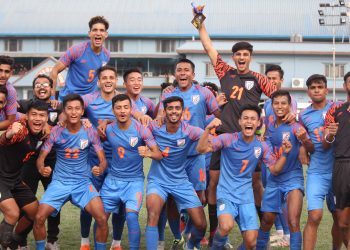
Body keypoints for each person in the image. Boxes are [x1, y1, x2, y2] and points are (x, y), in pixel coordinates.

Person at [192, 6, 284, 245]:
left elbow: (280, 99)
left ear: (250, 57)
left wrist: (279, 121)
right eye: (238, 54)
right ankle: (215, 232)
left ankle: (256, 231)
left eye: (245, 54)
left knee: (254, 183)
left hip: (249, 139)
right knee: (214, 180)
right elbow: (208, 48)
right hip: (224, 136)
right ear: (234, 57)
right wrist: (199, 21)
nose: (241, 58)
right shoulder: (225, 72)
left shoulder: (259, 78)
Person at [197, 104, 291, 250]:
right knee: (226, 226)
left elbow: (275, 170)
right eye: (245, 118)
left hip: (246, 198)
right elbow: (201, 149)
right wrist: (208, 129)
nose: (249, 121)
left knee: (251, 242)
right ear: (239, 121)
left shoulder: (262, 146)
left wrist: (285, 154)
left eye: (253, 119)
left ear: (259, 123)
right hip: (226, 194)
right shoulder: (227, 139)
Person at [155, 58, 220, 248]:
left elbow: (219, 113)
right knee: (173, 200)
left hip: (196, 155)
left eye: (186, 70)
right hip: (174, 157)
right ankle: (178, 235)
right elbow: (160, 115)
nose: (183, 73)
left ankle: (190, 233)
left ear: (193, 74)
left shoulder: (204, 93)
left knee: (199, 198)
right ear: (175, 74)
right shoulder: (168, 94)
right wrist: (159, 117)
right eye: (179, 70)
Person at [33, 94, 108, 250]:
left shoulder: (90, 131)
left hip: (82, 183)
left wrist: (100, 168)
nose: (73, 112)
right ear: (64, 111)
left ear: (82, 111)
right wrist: (42, 168)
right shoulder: (56, 131)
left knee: (101, 218)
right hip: (60, 182)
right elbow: (41, 158)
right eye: (69, 108)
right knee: (39, 217)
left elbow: (103, 160)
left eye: (77, 109)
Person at [101, 94, 162, 249]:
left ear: (131, 109)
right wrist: (100, 123)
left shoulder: (141, 130)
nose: (122, 111)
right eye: (118, 108)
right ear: (113, 110)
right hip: (112, 180)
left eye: (126, 107)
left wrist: (148, 152)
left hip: (134, 181)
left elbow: (158, 154)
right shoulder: (107, 129)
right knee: (101, 218)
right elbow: (93, 138)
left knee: (131, 217)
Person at [146, 96, 207, 250]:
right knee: (153, 214)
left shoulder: (189, 131)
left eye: (177, 108)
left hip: (180, 181)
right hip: (157, 181)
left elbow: (212, 140)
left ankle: (190, 244)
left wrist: (211, 131)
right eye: (170, 108)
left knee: (201, 224)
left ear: (182, 111)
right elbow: (134, 128)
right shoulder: (154, 127)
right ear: (164, 111)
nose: (174, 111)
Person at [256, 90, 314, 250]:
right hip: (274, 178)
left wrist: (304, 142)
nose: (279, 106)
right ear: (271, 105)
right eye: (276, 103)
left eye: (283, 103)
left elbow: (311, 148)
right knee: (267, 220)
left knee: (294, 221)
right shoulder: (267, 121)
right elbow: (263, 134)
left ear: (290, 106)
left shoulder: (295, 126)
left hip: (293, 177)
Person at [79, 65, 127, 250]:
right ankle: (85, 242)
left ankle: (116, 243)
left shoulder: (124, 100)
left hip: (118, 163)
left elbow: (137, 117)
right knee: (89, 202)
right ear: (98, 81)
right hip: (94, 160)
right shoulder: (88, 100)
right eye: (104, 78)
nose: (108, 80)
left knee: (120, 203)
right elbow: (69, 112)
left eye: (111, 77)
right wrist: (82, 120)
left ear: (116, 80)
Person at [17, 75, 62, 250]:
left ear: (52, 89)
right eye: (38, 84)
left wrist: (52, 127)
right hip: (28, 161)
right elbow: (8, 106)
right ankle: (21, 241)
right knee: (26, 203)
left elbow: (73, 117)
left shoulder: (58, 106)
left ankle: (52, 240)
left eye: (46, 84)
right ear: (33, 88)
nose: (42, 87)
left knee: (53, 202)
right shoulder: (26, 105)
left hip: (52, 161)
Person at [300, 74, 344, 250]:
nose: (316, 90)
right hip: (317, 171)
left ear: (326, 90)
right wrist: (303, 148)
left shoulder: (339, 108)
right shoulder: (304, 115)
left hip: (338, 171)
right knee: (314, 215)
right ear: (308, 92)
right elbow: (302, 140)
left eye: (320, 87)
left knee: (339, 218)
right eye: (313, 87)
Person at [0, 100, 49, 249]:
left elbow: (62, 127)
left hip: (14, 179)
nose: (38, 118)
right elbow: (5, 140)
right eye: (34, 114)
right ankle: (4, 245)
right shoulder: (21, 129)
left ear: (46, 118)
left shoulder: (43, 132)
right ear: (27, 116)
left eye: (42, 115)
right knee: (13, 213)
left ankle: (15, 241)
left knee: (35, 212)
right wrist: (9, 134)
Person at [50, 16, 110, 101]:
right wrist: (52, 97)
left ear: (106, 34)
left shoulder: (106, 55)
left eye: (101, 30)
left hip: (90, 100)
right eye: (95, 30)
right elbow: (54, 70)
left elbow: (102, 78)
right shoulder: (77, 50)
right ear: (89, 33)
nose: (98, 33)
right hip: (70, 98)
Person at [323, 71, 350, 248]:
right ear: (345, 86)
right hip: (342, 165)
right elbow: (326, 142)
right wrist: (330, 135)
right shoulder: (335, 109)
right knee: (342, 223)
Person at [0, 55, 17, 130]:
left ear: (11, 73)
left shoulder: (10, 91)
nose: (3, 75)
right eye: (0, 71)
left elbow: (10, 121)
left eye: (6, 71)